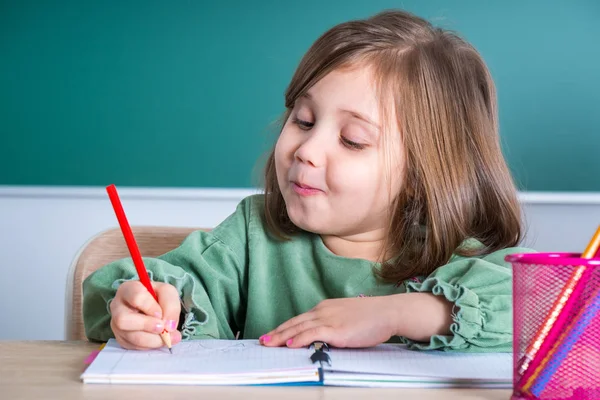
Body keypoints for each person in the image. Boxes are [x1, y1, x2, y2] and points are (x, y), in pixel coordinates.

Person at [82, 9, 534, 353]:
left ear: (421, 174)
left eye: (352, 140)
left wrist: (397, 313)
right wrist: (147, 305)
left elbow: (547, 311)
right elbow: (147, 285)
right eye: (302, 120)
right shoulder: (252, 234)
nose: (306, 149)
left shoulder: (459, 254)